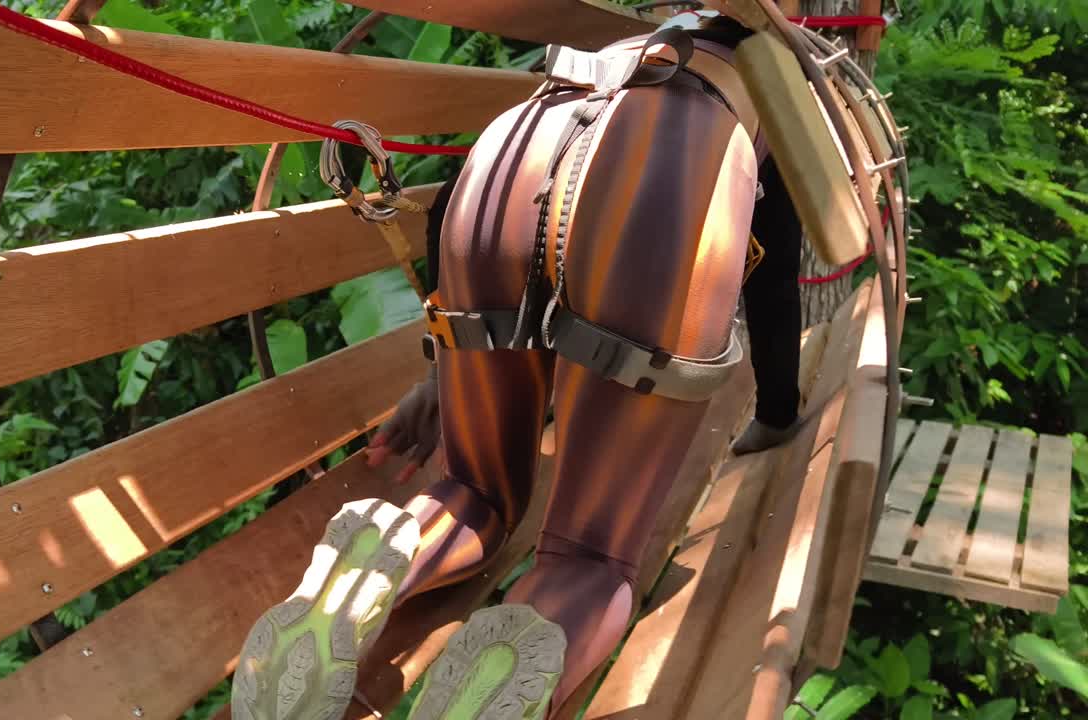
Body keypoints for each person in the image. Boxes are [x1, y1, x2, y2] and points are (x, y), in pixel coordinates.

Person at [232, 10, 809, 720]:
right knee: (588, 554)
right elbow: (775, 278)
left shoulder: (625, 45)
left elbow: (454, 214)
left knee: (473, 487)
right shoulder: (769, 68)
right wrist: (777, 412)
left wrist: (445, 374)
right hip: (662, 181)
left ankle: (372, 571)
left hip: (502, 167)